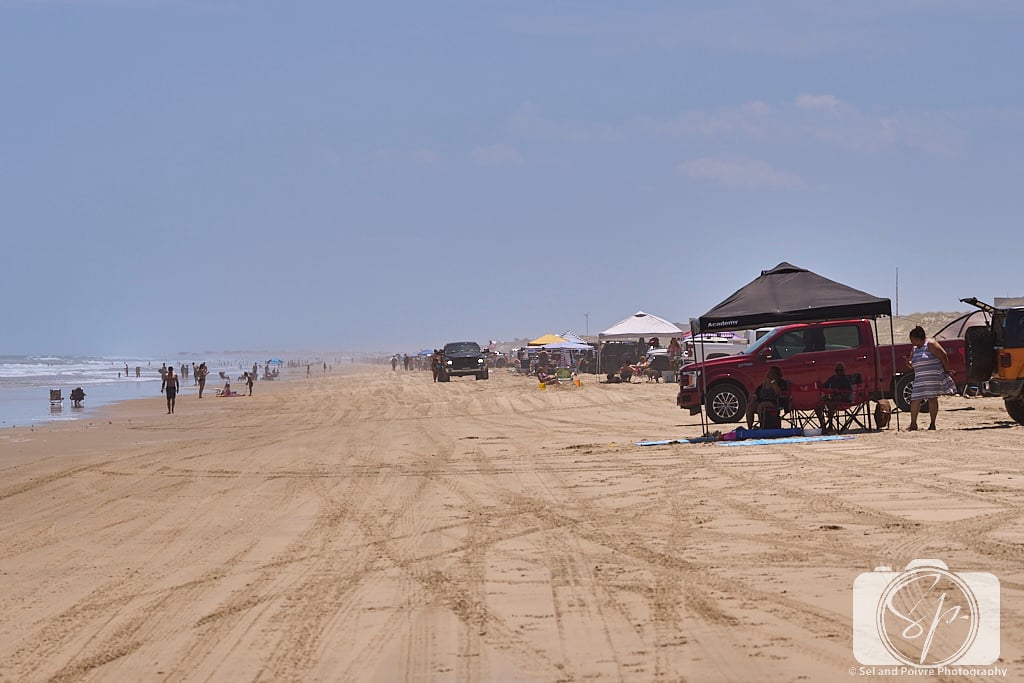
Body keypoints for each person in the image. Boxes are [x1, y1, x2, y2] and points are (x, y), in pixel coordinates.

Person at [905, 325, 953, 431]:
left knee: (932, 398)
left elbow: (943, 356)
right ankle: (913, 423)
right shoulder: (914, 349)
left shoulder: (930, 344)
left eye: (912, 339)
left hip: (932, 376)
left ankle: (932, 424)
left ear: (918, 338)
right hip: (919, 377)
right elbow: (912, 364)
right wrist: (908, 363)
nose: (912, 342)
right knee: (915, 399)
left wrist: (946, 370)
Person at [816, 362, 854, 433]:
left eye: (841, 370)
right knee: (817, 407)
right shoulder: (832, 378)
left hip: (842, 400)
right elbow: (824, 387)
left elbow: (849, 392)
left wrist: (839, 393)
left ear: (844, 371)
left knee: (832, 403)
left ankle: (830, 426)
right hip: (831, 398)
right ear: (835, 371)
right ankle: (823, 426)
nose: (839, 372)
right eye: (837, 370)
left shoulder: (845, 379)